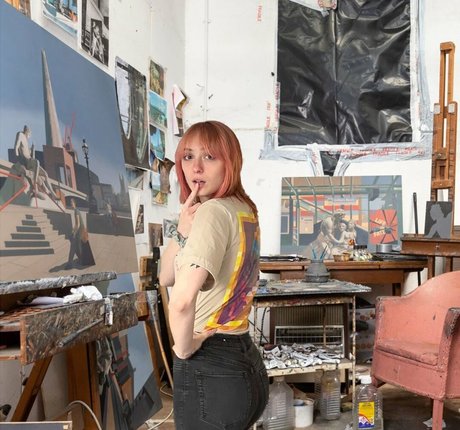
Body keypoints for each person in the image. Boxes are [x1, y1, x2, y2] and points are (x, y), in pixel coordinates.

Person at [159, 120, 268, 429]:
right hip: (244, 363)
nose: (196, 168)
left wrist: (184, 348)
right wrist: (182, 230)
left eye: (209, 156)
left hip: (211, 367)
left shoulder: (213, 211)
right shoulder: (243, 209)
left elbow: (180, 301)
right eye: (188, 156)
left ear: (229, 162)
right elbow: (165, 277)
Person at [14, 125, 59, 200]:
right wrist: (18, 161)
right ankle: (35, 186)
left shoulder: (26, 141)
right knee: (37, 162)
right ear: (27, 132)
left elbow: (32, 157)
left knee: (45, 174)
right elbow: (16, 147)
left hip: (30, 161)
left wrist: (33, 149)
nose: (29, 136)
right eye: (29, 134)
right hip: (26, 162)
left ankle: (53, 193)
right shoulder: (20, 135)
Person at [66, 198, 95, 268]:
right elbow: (76, 224)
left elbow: (78, 224)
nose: (71, 204)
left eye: (72, 202)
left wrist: (74, 233)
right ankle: (80, 260)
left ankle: (76, 261)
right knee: (78, 246)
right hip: (81, 230)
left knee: (77, 246)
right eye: (70, 202)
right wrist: (73, 231)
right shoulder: (76, 210)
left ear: (75, 203)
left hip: (80, 231)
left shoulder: (76, 211)